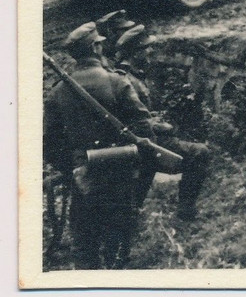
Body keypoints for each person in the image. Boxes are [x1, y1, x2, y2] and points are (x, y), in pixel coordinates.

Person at [44, 22, 154, 269]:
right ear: (96, 48)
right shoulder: (117, 82)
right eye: (100, 43)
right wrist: (129, 159)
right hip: (120, 175)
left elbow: (50, 145)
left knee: (85, 247)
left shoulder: (58, 92)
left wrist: (76, 166)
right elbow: (144, 128)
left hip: (83, 180)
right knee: (118, 245)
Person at [114, 25, 210, 221]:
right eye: (146, 48)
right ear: (135, 52)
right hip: (144, 143)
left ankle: (131, 219)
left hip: (145, 141)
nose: (150, 52)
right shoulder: (126, 80)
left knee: (137, 191)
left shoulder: (132, 75)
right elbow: (132, 119)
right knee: (200, 153)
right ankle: (185, 210)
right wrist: (159, 126)